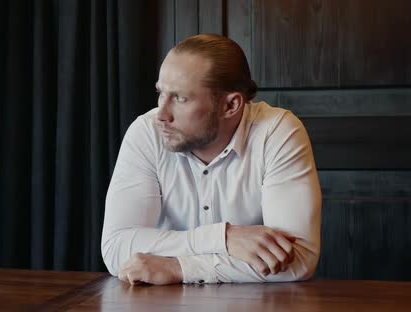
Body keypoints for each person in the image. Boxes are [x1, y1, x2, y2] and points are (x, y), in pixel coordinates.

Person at [101, 34, 321, 285]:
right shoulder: (146, 133)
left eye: (180, 98)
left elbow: (298, 260)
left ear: (231, 105)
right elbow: (116, 248)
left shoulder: (277, 132)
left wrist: (179, 268)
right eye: (161, 93)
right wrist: (224, 238)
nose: (161, 113)